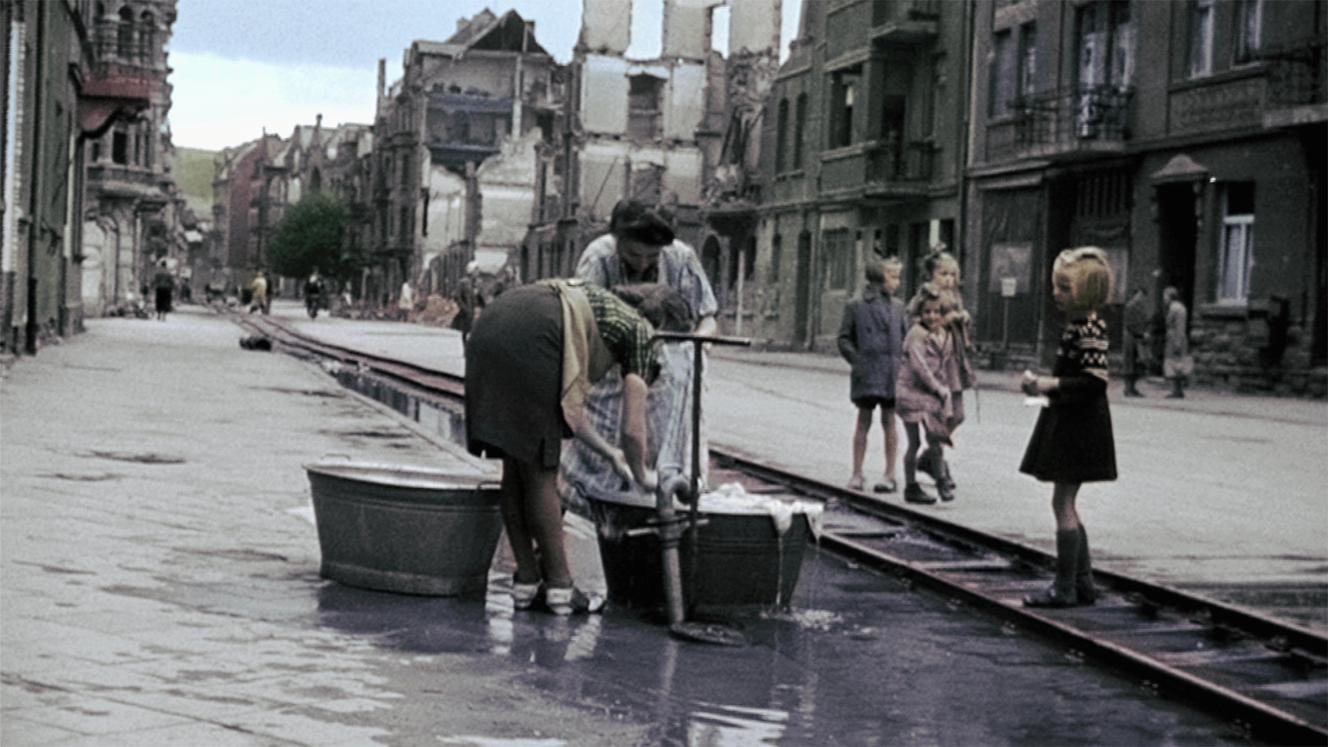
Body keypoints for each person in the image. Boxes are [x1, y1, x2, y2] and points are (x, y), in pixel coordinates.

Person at [465, 277, 691, 615]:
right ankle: (560, 586)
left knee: (515, 467)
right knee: (542, 470)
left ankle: (526, 580)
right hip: (536, 333)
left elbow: (569, 411)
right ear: (663, 325)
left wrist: (610, 454)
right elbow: (633, 428)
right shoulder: (642, 332)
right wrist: (643, 475)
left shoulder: (602, 312)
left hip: (490, 327)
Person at [562, 200, 719, 504]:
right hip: (612, 362)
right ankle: (591, 496)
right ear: (617, 241)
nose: (642, 264)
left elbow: (708, 316)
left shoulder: (681, 257)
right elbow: (583, 324)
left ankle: (668, 491)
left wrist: (698, 348)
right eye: (633, 254)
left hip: (671, 362)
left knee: (670, 440)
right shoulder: (598, 258)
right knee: (599, 447)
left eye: (652, 256)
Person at [1018, 247, 1117, 608]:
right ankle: (1083, 583)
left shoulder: (1089, 329)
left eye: (1063, 288)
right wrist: (1044, 386)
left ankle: (1065, 588)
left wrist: (1049, 385)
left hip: (1079, 425)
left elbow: (1094, 382)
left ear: (1085, 292)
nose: (1056, 294)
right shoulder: (1079, 325)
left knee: (1063, 502)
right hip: (1073, 420)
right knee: (1066, 501)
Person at [837, 256, 907, 493]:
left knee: (890, 422)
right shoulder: (856, 305)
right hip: (867, 373)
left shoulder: (898, 307)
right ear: (878, 277)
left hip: (890, 373)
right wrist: (858, 361)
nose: (896, 282)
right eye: (892, 276)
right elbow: (844, 338)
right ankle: (857, 472)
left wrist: (903, 366)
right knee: (863, 421)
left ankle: (890, 473)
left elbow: (905, 339)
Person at [895, 283, 958, 505]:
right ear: (919, 313)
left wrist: (946, 395)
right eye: (927, 312)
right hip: (911, 392)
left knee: (936, 440)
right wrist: (938, 389)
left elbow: (943, 368)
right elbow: (919, 366)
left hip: (932, 394)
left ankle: (941, 480)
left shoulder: (945, 336)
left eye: (937, 312)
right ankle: (911, 486)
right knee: (913, 442)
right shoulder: (916, 335)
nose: (932, 317)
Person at [918, 246, 974, 494]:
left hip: (954, 362)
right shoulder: (926, 296)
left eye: (953, 275)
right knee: (938, 417)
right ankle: (941, 474)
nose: (949, 280)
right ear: (932, 275)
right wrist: (946, 320)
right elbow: (916, 324)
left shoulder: (955, 297)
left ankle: (929, 456)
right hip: (934, 363)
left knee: (957, 414)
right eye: (943, 274)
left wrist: (963, 318)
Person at [1163, 286, 1191, 399]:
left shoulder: (1174, 308)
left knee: (1174, 364)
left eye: (1165, 296)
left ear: (1170, 296)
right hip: (1180, 337)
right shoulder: (1181, 307)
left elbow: (1177, 325)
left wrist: (1177, 341)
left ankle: (1176, 390)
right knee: (1179, 363)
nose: (1164, 299)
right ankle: (1178, 389)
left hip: (1175, 337)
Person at [1122, 286, 1150, 397]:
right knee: (1130, 363)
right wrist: (1141, 333)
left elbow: (1145, 321)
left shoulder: (1141, 307)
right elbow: (1130, 324)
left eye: (1143, 296)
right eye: (1140, 295)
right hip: (1131, 337)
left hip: (1139, 338)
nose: (1141, 298)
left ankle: (1133, 388)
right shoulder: (1130, 306)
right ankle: (1128, 388)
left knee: (1138, 363)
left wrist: (1145, 332)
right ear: (1135, 295)